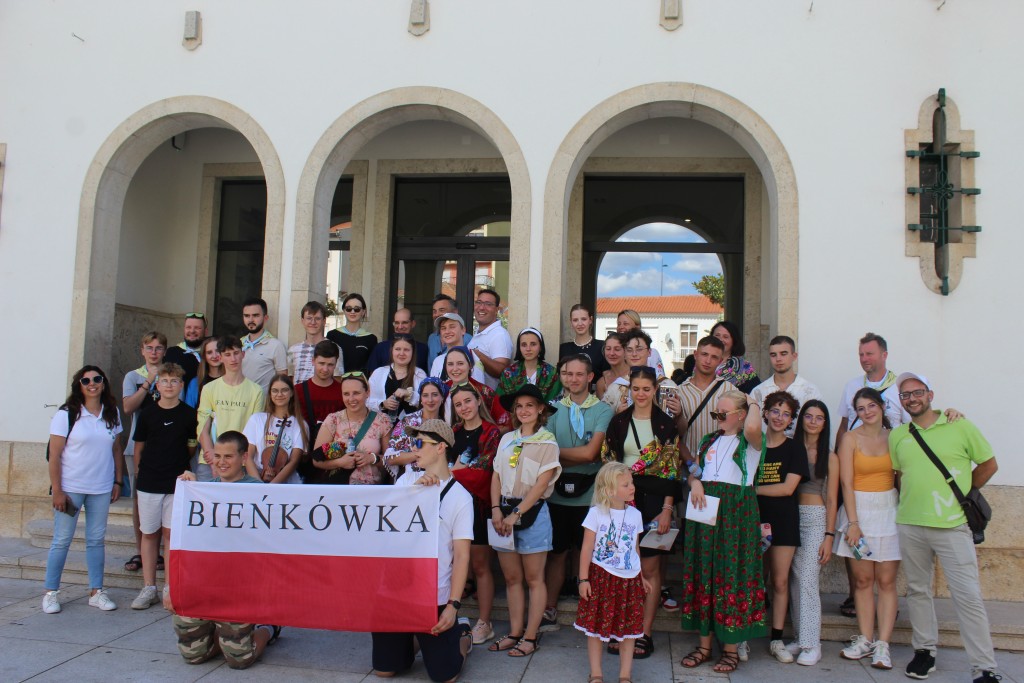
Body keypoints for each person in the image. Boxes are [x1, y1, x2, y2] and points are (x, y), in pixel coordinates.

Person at [890, 373, 1000, 683]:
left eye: (917, 392)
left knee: (968, 596)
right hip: (911, 523)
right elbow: (900, 475)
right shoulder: (898, 435)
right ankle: (925, 651)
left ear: (930, 394)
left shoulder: (959, 425)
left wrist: (965, 496)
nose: (912, 399)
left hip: (952, 526)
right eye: (906, 395)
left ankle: (984, 666)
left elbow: (989, 464)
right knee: (918, 591)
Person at [168, 431, 280, 668]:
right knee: (194, 656)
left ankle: (267, 628)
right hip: (203, 584)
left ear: (244, 457)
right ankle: (222, 632)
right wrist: (172, 586)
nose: (221, 462)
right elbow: (180, 542)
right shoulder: (202, 491)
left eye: (228, 456)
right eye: (217, 456)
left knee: (239, 660)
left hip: (238, 585)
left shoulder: (259, 492)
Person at [373, 419, 474, 682]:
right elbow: (388, 526)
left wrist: (453, 606)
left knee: (445, 677)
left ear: (441, 448)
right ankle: (415, 639)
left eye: (419, 443)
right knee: (385, 670)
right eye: (412, 442)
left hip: (434, 593)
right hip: (396, 589)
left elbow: (462, 555)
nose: (413, 449)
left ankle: (463, 636)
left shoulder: (461, 497)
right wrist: (415, 493)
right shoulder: (407, 479)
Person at [679, 389, 767, 673]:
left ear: (740, 415)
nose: (717, 417)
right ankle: (704, 644)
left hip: (735, 512)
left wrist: (753, 401)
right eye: (715, 413)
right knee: (705, 571)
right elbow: (697, 472)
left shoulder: (751, 441)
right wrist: (694, 483)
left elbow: (754, 426)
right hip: (705, 510)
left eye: (723, 413)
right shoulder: (710, 441)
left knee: (732, 572)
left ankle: (730, 647)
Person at [604, 365, 680, 660]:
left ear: (655, 390)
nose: (641, 394)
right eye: (636, 388)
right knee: (620, 566)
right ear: (629, 390)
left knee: (648, 569)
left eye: (647, 389)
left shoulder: (666, 425)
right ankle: (620, 626)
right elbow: (609, 463)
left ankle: (644, 633)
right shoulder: (619, 422)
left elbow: (672, 471)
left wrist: (667, 510)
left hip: (654, 503)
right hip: (622, 502)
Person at [42, 365, 125, 614]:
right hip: (71, 488)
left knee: (96, 540)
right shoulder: (67, 414)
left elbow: (116, 450)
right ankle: (50, 592)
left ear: (103, 383)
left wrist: (118, 481)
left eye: (97, 379)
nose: (92, 383)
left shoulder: (112, 413)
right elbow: (54, 456)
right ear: (78, 385)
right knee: (62, 540)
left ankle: (96, 591)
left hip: (100, 488)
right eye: (86, 380)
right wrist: (57, 490)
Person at [488, 384, 562, 658]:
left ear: (541, 408)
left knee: (534, 578)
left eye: (530, 405)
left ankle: (531, 636)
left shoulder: (547, 442)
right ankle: (515, 632)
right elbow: (496, 475)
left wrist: (516, 514)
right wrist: (497, 509)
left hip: (531, 514)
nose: (524, 410)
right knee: (512, 578)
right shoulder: (507, 439)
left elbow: (542, 484)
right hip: (503, 511)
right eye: (519, 406)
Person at [542, 354, 613, 632]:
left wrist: (557, 454)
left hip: (590, 493)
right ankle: (549, 607)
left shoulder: (603, 410)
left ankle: (591, 609)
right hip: (557, 491)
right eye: (567, 374)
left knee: (590, 553)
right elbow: (545, 453)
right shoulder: (551, 410)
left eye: (579, 374)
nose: (573, 379)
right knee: (557, 553)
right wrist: (577, 457)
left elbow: (592, 452)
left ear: (590, 377)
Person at [835, 387, 900, 670]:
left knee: (886, 581)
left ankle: (882, 645)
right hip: (859, 511)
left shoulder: (896, 437)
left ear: (882, 406)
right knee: (862, 581)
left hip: (889, 511)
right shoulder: (850, 438)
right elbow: (846, 482)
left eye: (871, 406)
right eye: (860, 409)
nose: (867, 412)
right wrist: (853, 522)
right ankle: (864, 638)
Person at [574, 462, 651, 683]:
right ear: (609, 490)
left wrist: (641, 576)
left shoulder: (635, 515)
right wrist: (583, 579)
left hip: (629, 579)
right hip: (602, 577)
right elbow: (586, 548)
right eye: (626, 484)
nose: (632, 487)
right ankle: (596, 672)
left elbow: (635, 549)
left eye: (632, 482)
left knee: (630, 629)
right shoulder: (596, 514)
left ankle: (625, 675)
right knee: (595, 628)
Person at [749, 391, 810, 664]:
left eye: (786, 414)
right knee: (752, 580)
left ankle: (776, 638)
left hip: (783, 520)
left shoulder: (795, 447)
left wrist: (755, 489)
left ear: (791, 419)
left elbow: (788, 488)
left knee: (780, 580)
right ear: (765, 412)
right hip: (752, 520)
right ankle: (742, 637)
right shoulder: (753, 444)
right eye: (775, 411)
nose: (779, 417)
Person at [129, 362, 196, 611]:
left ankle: (169, 586)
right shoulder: (147, 414)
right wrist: (140, 472)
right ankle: (149, 587)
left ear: (181, 385)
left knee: (170, 535)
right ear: (158, 385)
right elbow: (139, 446)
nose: (169, 385)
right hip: (149, 482)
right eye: (165, 380)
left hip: (176, 483)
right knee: (149, 534)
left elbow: (191, 446)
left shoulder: (189, 414)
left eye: (174, 381)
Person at [447, 383, 502, 646]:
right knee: (454, 562)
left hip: (478, 506)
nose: (464, 407)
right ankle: (449, 614)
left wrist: (454, 473)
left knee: (480, 566)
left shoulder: (492, 433)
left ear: (478, 400)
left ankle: (485, 622)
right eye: (459, 404)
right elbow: (439, 466)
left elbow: (484, 471)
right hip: (453, 507)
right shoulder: (453, 432)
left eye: (468, 401)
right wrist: (454, 472)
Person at [784, 399, 837, 665]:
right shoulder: (791, 448)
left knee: (807, 579)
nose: (813, 422)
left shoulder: (831, 456)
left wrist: (829, 535)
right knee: (793, 580)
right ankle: (799, 637)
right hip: (790, 515)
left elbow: (832, 497)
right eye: (809, 416)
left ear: (825, 423)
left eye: (819, 418)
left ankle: (812, 643)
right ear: (801, 419)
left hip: (815, 517)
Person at [121, 331, 166, 574]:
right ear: (142, 350)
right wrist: (148, 381)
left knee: (164, 502)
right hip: (137, 447)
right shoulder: (132, 376)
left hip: (166, 448)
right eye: (149, 347)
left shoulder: (170, 375)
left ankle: (159, 552)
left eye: (159, 348)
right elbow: (128, 407)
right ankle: (141, 551)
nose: (154, 352)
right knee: (140, 503)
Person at [196, 335, 265, 482]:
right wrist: (215, 461)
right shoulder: (209, 388)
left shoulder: (256, 391)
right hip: (209, 462)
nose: (233, 359)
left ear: (243, 354)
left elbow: (254, 431)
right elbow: (203, 427)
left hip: (241, 463)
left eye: (236, 353)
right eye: (227, 354)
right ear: (220, 357)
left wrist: (239, 460)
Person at [311, 372, 392, 484]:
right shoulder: (333, 420)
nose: (351, 399)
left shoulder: (382, 420)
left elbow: (393, 459)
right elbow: (316, 460)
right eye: (346, 394)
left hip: (371, 492)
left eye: (356, 393)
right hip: (339, 489)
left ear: (367, 392)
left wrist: (372, 458)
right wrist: (340, 462)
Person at [836, 332, 908, 444]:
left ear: (884, 355)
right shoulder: (851, 386)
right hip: (855, 454)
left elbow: (909, 426)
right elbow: (844, 426)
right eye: (861, 355)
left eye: (869, 354)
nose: (864, 359)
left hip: (888, 454)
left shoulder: (900, 387)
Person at [750, 335, 823, 437]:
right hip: (766, 450)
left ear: (794, 356)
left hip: (799, 450)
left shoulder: (811, 391)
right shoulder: (758, 392)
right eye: (773, 355)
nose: (778, 359)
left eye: (783, 354)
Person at [243, 374, 308, 484]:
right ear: (269, 394)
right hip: (257, 480)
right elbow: (248, 457)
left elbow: (293, 461)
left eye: (284, 390)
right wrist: (259, 484)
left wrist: (272, 487)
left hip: (287, 484)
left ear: (292, 393)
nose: (279, 394)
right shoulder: (256, 420)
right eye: (275, 391)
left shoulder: (300, 424)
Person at [383, 377, 448, 480]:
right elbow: (390, 458)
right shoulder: (408, 422)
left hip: (437, 480)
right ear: (421, 399)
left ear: (442, 398)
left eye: (435, 395)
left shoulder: (446, 426)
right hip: (411, 480)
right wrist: (421, 454)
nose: (430, 400)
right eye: (425, 395)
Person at [441, 346, 509, 431]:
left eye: (460, 363)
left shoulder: (485, 393)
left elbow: (506, 425)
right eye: (450, 364)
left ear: (470, 365)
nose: (455, 369)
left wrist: (486, 435)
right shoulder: (441, 390)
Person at [367, 334, 426, 420]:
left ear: (412, 352)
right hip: (382, 428)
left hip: (410, 429)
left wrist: (410, 394)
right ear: (392, 351)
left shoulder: (420, 374)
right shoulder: (378, 373)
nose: (401, 353)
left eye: (406, 350)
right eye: (398, 349)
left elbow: (427, 402)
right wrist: (383, 404)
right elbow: (366, 401)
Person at [497, 327, 562, 402]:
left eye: (533, 344)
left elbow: (556, 402)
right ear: (519, 347)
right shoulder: (508, 373)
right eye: (524, 345)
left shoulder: (552, 373)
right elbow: (501, 402)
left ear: (540, 347)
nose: (528, 349)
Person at [239, 297, 288, 395]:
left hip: (264, 405)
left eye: (256, 315)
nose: (251, 319)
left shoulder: (276, 345)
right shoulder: (238, 344)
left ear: (265, 318)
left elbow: (282, 379)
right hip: (240, 403)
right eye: (247, 316)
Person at [467, 288, 513, 390]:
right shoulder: (479, 332)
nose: (482, 307)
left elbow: (502, 371)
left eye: (488, 304)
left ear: (496, 310)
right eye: (479, 302)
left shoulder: (499, 335)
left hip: (488, 402)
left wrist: (475, 353)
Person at [288, 301, 343, 384]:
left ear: (324, 321)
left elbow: (337, 379)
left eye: (317, 318)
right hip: (299, 396)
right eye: (309, 318)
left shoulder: (335, 348)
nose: (313, 322)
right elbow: (289, 380)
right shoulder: (293, 350)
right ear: (302, 321)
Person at [366, 307, 430, 375]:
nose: (400, 327)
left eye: (404, 322)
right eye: (397, 323)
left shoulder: (423, 349)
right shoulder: (380, 348)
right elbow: (373, 376)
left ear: (413, 324)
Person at [327, 293, 378, 374]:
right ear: (344, 310)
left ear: (363, 311)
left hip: (361, 384)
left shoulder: (371, 339)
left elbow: (371, 369)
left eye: (357, 309)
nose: (352, 312)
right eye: (348, 308)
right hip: (337, 383)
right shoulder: (332, 335)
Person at [710, 320, 760, 394]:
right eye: (717, 335)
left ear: (734, 341)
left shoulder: (744, 367)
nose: (720, 339)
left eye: (726, 337)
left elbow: (755, 393)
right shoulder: (701, 361)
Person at [558, 304, 606, 381]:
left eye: (583, 319)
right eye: (575, 320)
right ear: (571, 322)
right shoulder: (563, 349)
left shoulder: (602, 347)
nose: (580, 324)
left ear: (590, 320)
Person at [427, 294, 472, 368]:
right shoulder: (432, 338)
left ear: (455, 312)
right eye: (434, 311)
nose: (437, 314)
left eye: (442, 310)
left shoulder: (469, 340)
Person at [615, 309, 664, 377]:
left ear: (637, 326)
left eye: (625, 324)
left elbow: (660, 379)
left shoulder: (653, 353)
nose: (621, 327)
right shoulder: (612, 352)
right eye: (619, 324)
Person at [164, 312, 207, 389]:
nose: (192, 331)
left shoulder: (211, 354)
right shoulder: (172, 353)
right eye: (188, 327)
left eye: (197, 328)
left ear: (205, 331)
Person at [184, 337, 224, 408]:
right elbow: (189, 412)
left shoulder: (232, 381)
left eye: (218, 351)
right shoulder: (195, 383)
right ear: (204, 356)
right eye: (209, 352)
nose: (214, 356)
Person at [430, 312, 470, 378]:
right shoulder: (438, 361)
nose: (447, 331)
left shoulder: (472, 358)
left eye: (452, 327)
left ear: (463, 330)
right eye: (443, 328)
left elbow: (477, 387)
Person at [596, 332, 629, 409]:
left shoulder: (635, 374)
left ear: (625, 351)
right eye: (608, 349)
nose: (611, 353)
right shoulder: (602, 382)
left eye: (617, 349)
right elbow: (602, 413)